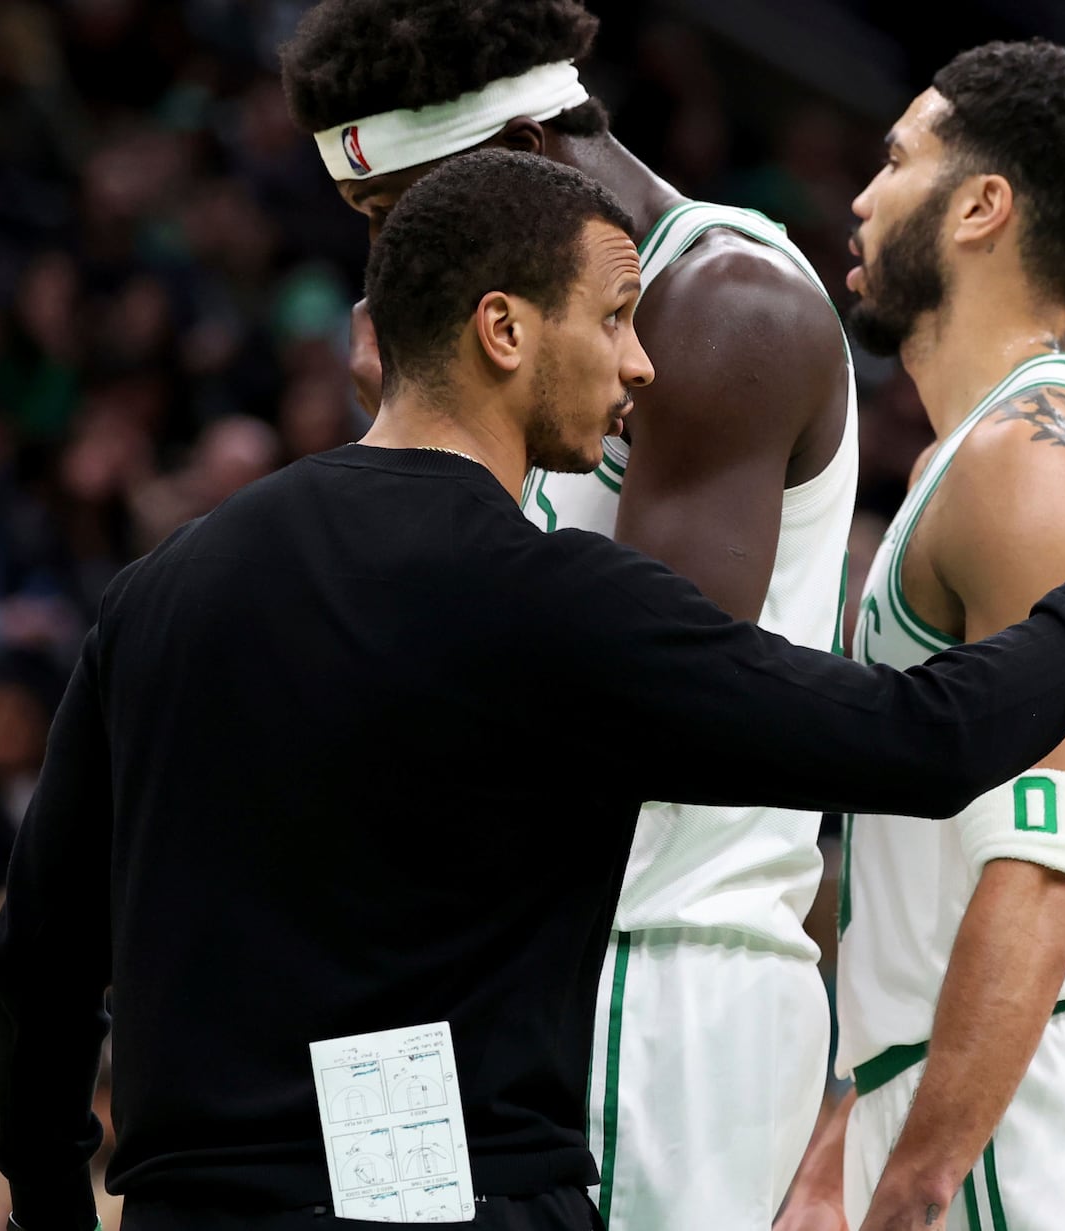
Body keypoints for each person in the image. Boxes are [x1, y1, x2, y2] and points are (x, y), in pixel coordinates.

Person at [0, 149, 1065, 1231]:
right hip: (456, 1191)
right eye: (616, 317)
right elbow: (928, 737)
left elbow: (39, 961)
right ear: (504, 329)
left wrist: (52, 1198)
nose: (642, 363)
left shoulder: (162, 588)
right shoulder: (549, 596)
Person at [277, 3, 860, 1225]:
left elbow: (651, 693)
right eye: (378, 227)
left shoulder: (722, 307)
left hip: (643, 969)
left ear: (535, 154)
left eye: (411, 213)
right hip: (469, 950)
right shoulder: (497, 331)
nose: (395, 265)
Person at [779, 39, 1065, 1231]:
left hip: (1021, 1120)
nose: (865, 196)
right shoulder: (978, 451)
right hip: (991, 1093)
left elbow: (1041, 863)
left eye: (895, 158)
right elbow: (912, 884)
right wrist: (846, 1128)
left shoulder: (1026, 460)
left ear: (981, 207)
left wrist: (917, 1181)